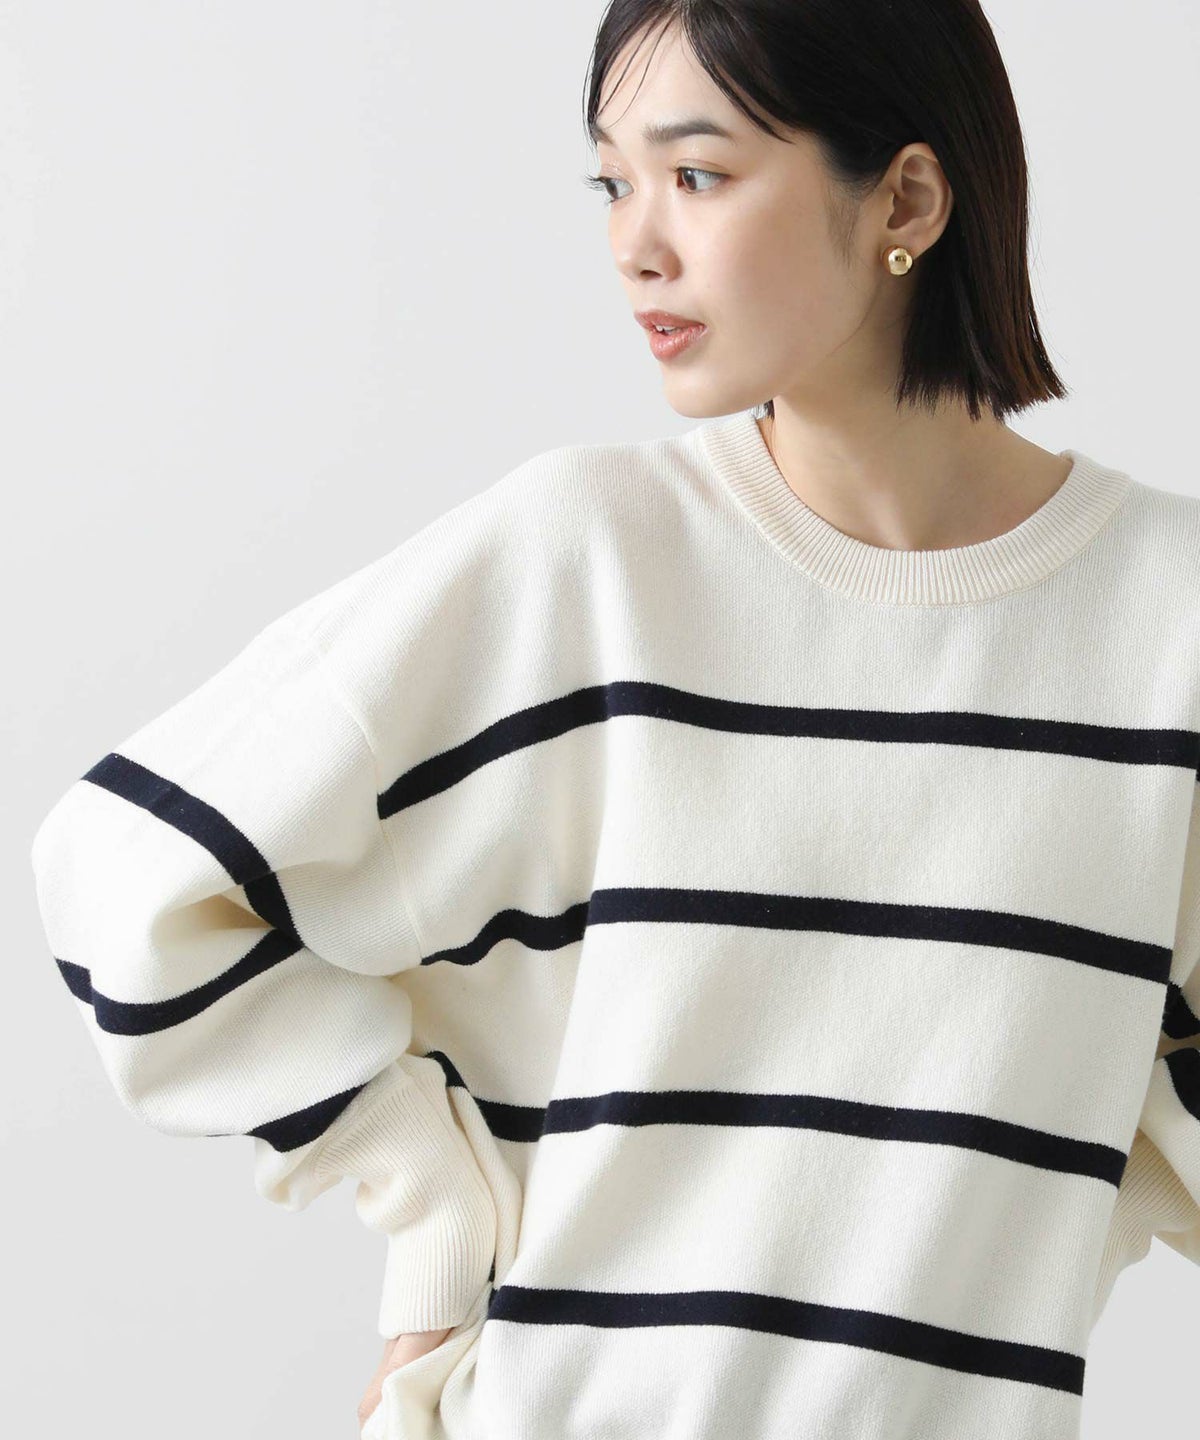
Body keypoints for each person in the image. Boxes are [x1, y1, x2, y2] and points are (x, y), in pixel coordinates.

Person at [30, 2, 1200, 1437]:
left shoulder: (1170, 623)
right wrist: (435, 1194)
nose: (635, 243)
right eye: (612, 181)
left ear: (905, 199)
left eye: (696, 174)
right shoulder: (592, 561)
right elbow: (126, 872)